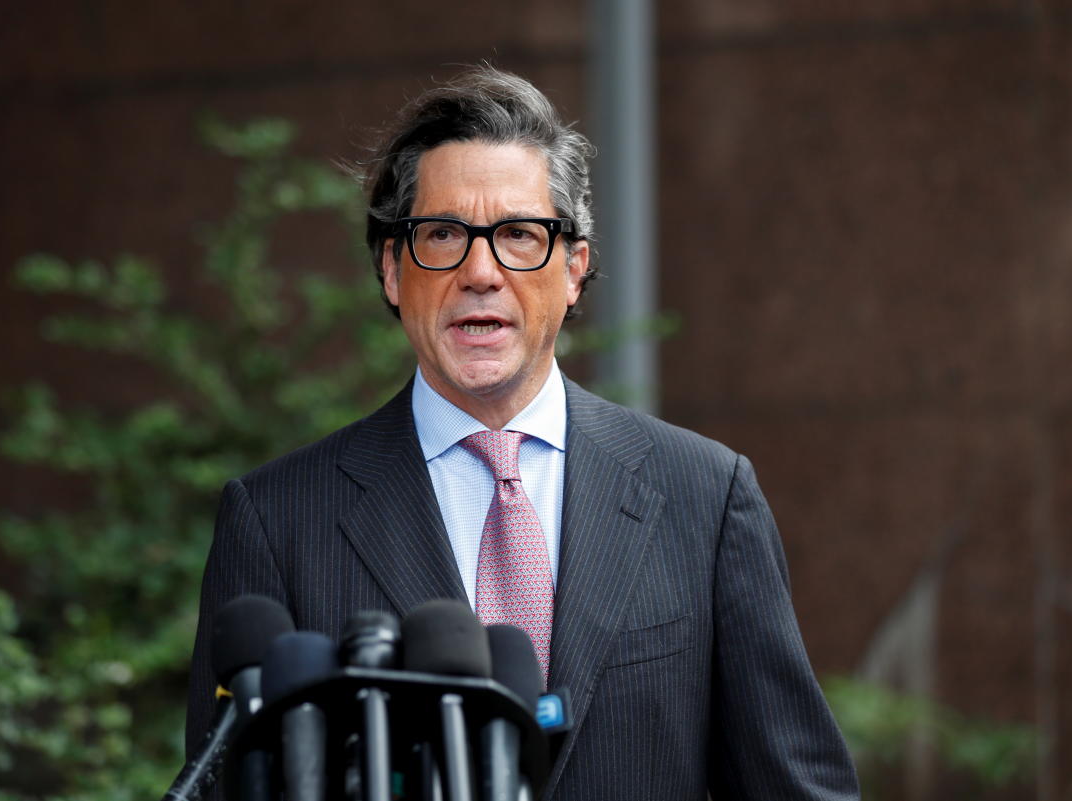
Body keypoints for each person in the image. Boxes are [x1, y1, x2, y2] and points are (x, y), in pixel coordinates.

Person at [186, 66, 859, 800]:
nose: (480, 271)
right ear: (390, 269)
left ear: (573, 268)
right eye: (441, 234)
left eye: (517, 234)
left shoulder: (704, 495)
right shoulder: (277, 518)